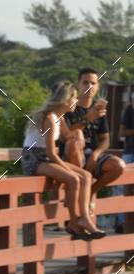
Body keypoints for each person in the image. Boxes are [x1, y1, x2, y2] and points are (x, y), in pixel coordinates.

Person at [22, 80, 104, 239]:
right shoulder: (51, 118)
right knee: (74, 179)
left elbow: (66, 138)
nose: (76, 101)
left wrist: (79, 135)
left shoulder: (59, 118)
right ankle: (74, 222)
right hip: (34, 159)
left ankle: (85, 219)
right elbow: (52, 153)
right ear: (65, 100)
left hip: (46, 158)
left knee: (86, 176)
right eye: (73, 98)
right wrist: (67, 169)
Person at [62, 68, 125, 207]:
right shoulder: (69, 106)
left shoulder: (98, 108)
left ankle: (90, 191)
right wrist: (87, 119)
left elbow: (105, 139)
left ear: (97, 86)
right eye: (85, 82)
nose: (89, 86)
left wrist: (96, 154)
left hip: (91, 155)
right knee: (75, 142)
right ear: (78, 85)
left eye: (93, 83)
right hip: (70, 156)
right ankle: (80, 206)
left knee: (118, 165)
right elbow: (65, 135)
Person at [116, 93, 134, 231]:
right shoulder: (129, 110)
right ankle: (121, 223)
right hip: (130, 152)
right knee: (122, 188)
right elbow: (122, 132)